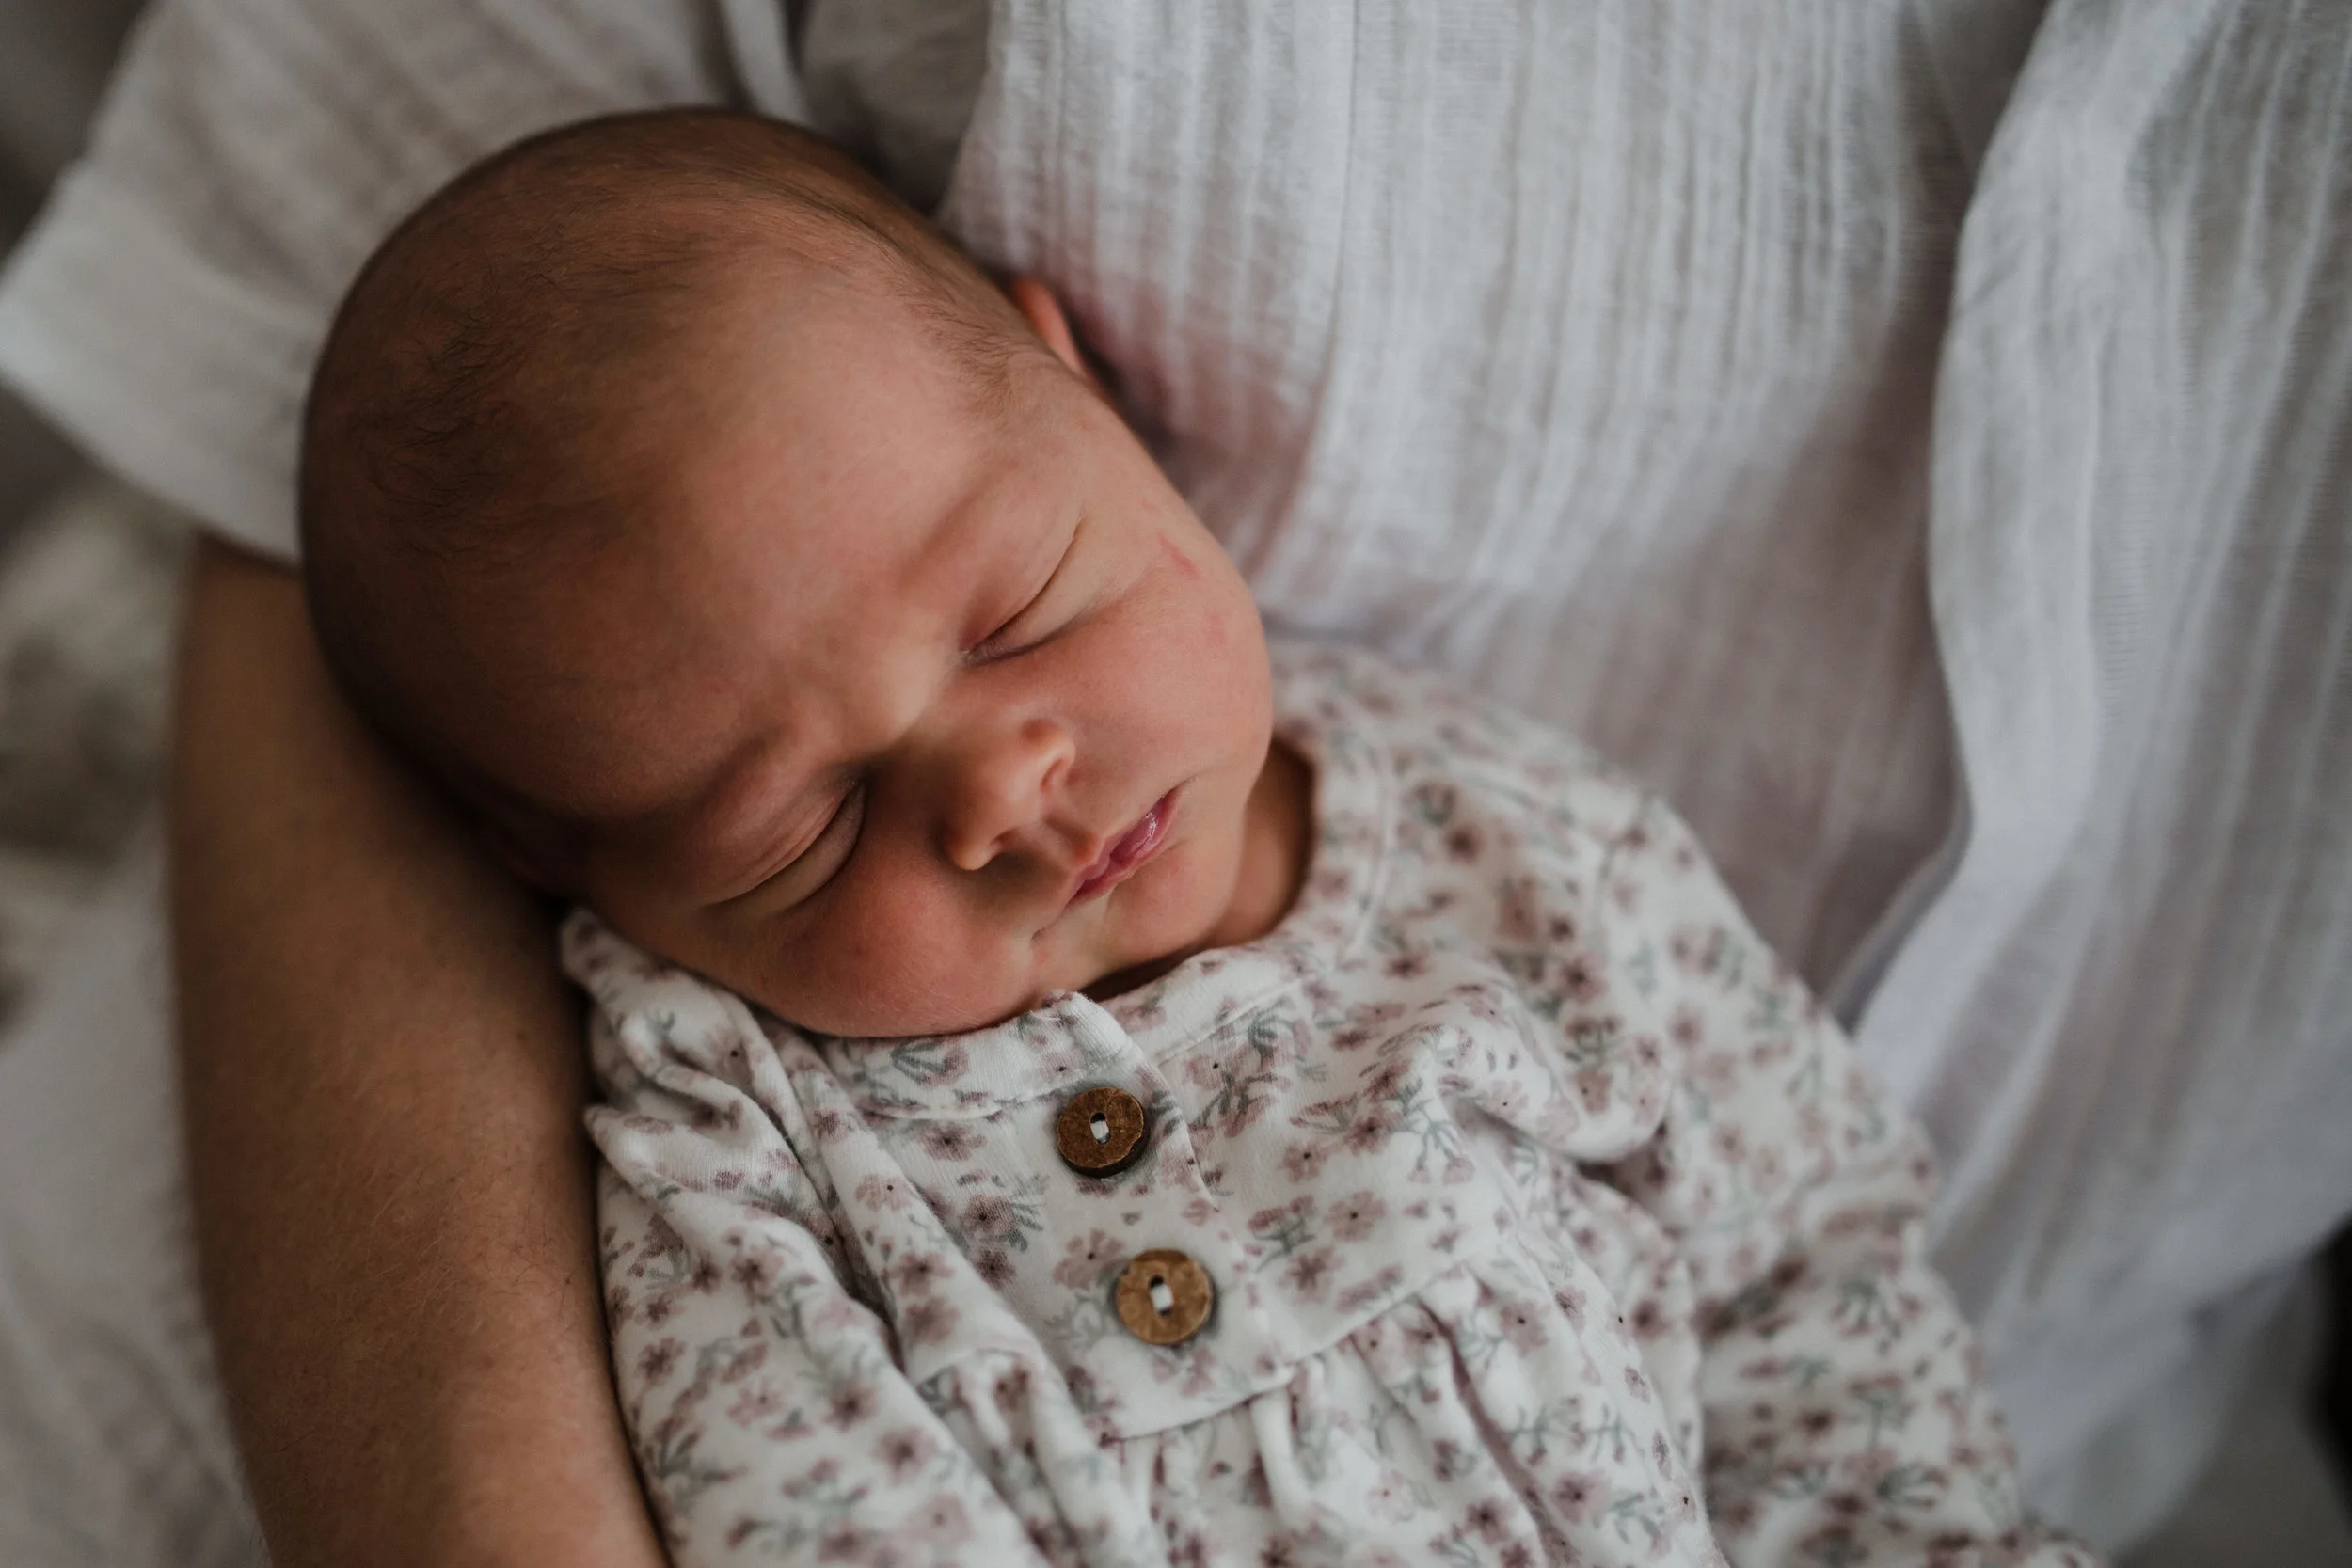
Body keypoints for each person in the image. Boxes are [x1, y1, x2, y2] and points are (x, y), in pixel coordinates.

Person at [1, 2, 2347, 1564]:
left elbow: (1805, 1262)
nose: (1000, 791)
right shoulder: (720, 1107)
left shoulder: (1515, 850)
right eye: (799, 829)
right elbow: (794, 1494)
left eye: (1021, 611)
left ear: (1094, 390)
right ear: (598, 884)